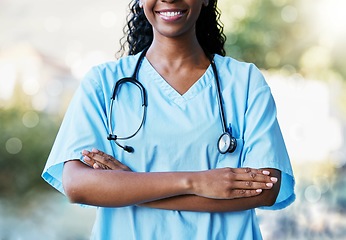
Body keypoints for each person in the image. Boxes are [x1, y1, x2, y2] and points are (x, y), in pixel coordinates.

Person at [42, 0, 295, 239]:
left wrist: (129, 187)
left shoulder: (245, 82)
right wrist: (197, 182)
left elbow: (266, 188)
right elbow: (77, 184)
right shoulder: (103, 83)